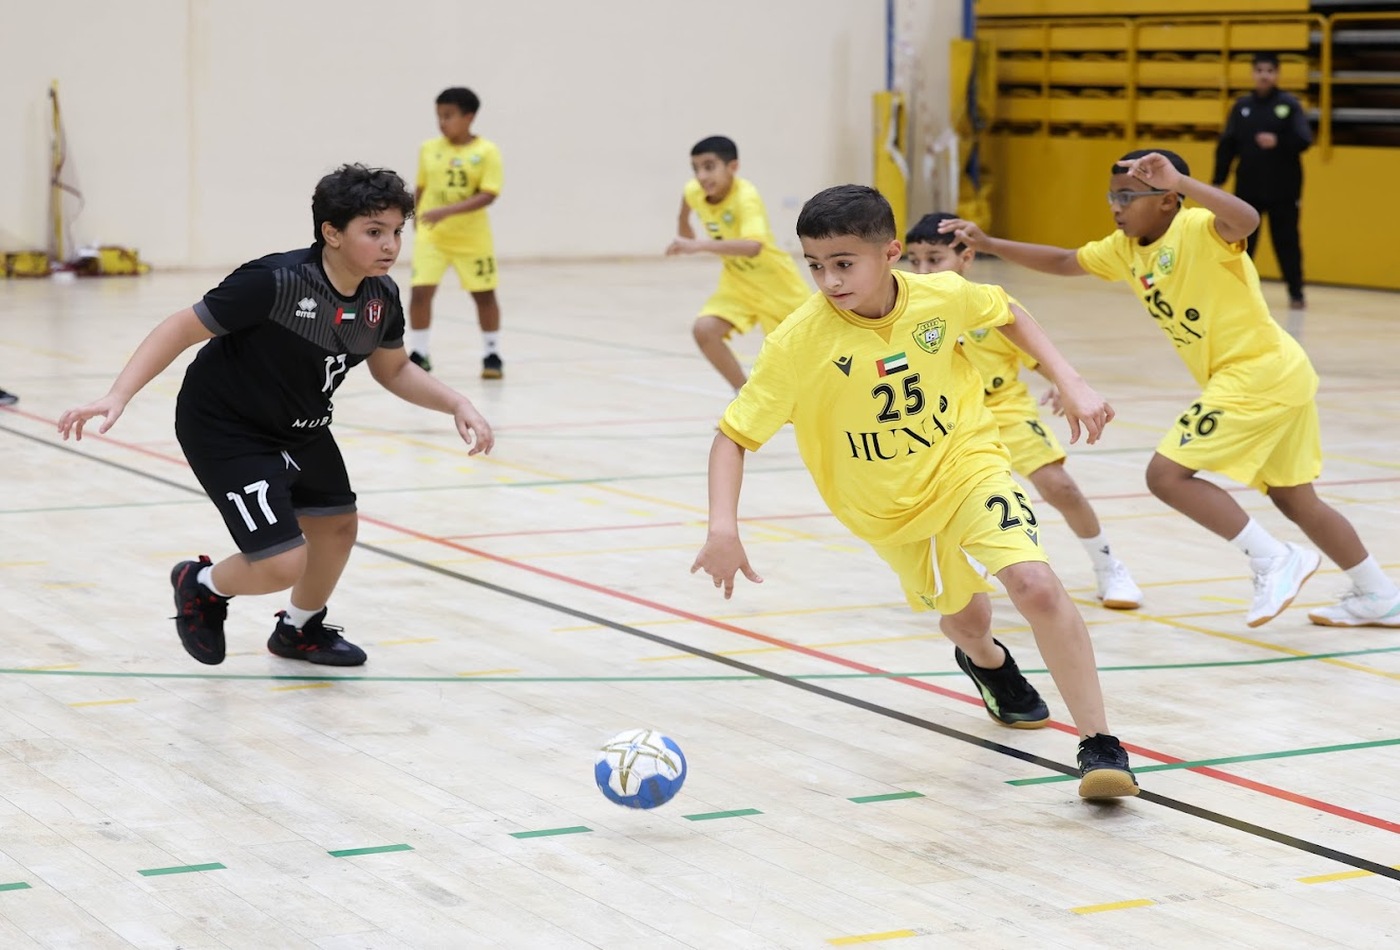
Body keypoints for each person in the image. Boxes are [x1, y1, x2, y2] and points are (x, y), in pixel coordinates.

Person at [691, 184, 1140, 800]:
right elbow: (732, 436)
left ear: (891, 253)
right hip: (886, 509)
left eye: (844, 263)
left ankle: (1099, 745)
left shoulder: (943, 296)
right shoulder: (797, 343)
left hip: (966, 464)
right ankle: (986, 662)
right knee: (968, 618)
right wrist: (723, 527)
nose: (829, 280)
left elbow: (1006, 311)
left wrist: (1073, 380)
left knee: (1033, 583)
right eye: (815, 266)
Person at [940, 149, 1400, 629]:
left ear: (1166, 200)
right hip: (1274, 376)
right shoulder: (1124, 248)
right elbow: (1062, 260)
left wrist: (1182, 180)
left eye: (1128, 196)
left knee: (1166, 476)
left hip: (1258, 374)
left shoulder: (1200, 227)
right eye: (1112, 196)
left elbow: (1246, 218)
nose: (1116, 206)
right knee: (1294, 498)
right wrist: (990, 242)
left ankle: (1272, 558)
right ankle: (1378, 594)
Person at [57, 164, 495, 667]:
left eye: (397, 231)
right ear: (331, 233)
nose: (391, 245)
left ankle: (299, 630)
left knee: (337, 527)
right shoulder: (275, 282)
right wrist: (118, 394)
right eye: (374, 232)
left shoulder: (382, 297)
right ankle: (200, 585)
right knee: (283, 562)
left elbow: (393, 370)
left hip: (302, 425)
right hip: (227, 427)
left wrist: (456, 402)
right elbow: (180, 327)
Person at [905, 212, 1142, 610]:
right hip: (946, 421)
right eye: (914, 261)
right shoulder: (906, 311)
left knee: (1059, 486)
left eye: (935, 259)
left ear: (965, 257)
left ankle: (1108, 567)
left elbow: (1038, 353)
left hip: (1005, 410)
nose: (923, 270)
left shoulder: (991, 306)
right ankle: (963, 568)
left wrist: (1060, 383)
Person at [666, 136, 811, 393]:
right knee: (705, 330)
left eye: (709, 166)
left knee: (809, 354)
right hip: (737, 284)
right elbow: (686, 222)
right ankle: (744, 397)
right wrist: (682, 223)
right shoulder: (693, 191)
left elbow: (753, 247)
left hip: (776, 283)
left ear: (733, 167)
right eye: (696, 168)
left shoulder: (746, 197)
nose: (701, 175)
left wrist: (699, 246)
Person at [410, 87, 505, 378]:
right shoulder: (430, 149)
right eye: (439, 116)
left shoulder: (486, 152)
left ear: (469, 117)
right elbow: (422, 186)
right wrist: (415, 214)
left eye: (448, 116)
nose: (442, 122)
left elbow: (488, 194)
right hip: (433, 236)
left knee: (484, 295)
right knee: (420, 292)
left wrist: (445, 212)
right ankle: (419, 353)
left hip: (471, 238)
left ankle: (492, 353)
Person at [1212, 52, 1312, 312]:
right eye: (1259, 70)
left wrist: (1279, 142)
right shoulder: (1242, 106)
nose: (1264, 75)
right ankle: (1238, 291)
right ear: (1253, 73)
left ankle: (1296, 293)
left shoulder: (1289, 105)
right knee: (1243, 242)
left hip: (1284, 189)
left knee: (1286, 242)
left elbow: (1304, 139)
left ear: (1277, 73)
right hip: (1248, 188)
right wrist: (1218, 179)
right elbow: (1227, 144)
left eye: (1269, 70)